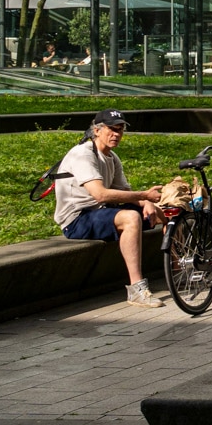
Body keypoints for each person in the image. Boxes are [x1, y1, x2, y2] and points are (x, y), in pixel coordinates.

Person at [50, 109, 167, 308]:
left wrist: (148, 203)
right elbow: (100, 194)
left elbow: (123, 191)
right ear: (96, 130)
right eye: (112, 129)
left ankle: (180, 269)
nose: (117, 134)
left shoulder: (112, 157)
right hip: (77, 219)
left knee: (167, 211)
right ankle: (137, 290)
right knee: (130, 218)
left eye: (120, 130)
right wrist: (144, 196)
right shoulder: (82, 154)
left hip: (101, 212)